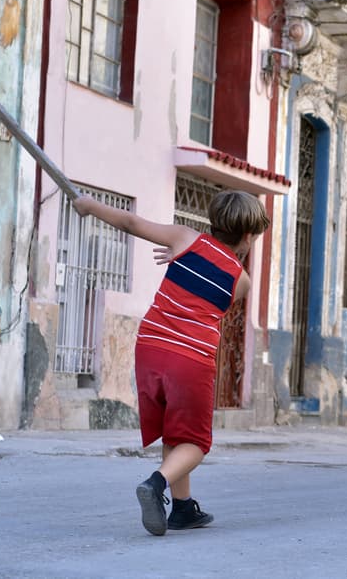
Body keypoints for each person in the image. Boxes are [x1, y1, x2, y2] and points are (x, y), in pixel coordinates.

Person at [72, 190, 269, 536]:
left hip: (150, 345)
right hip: (191, 357)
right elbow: (212, 300)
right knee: (196, 442)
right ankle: (156, 483)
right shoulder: (243, 281)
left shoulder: (184, 238)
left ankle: (181, 508)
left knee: (173, 430)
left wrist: (89, 206)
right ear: (249, 236)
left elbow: (131, 222)